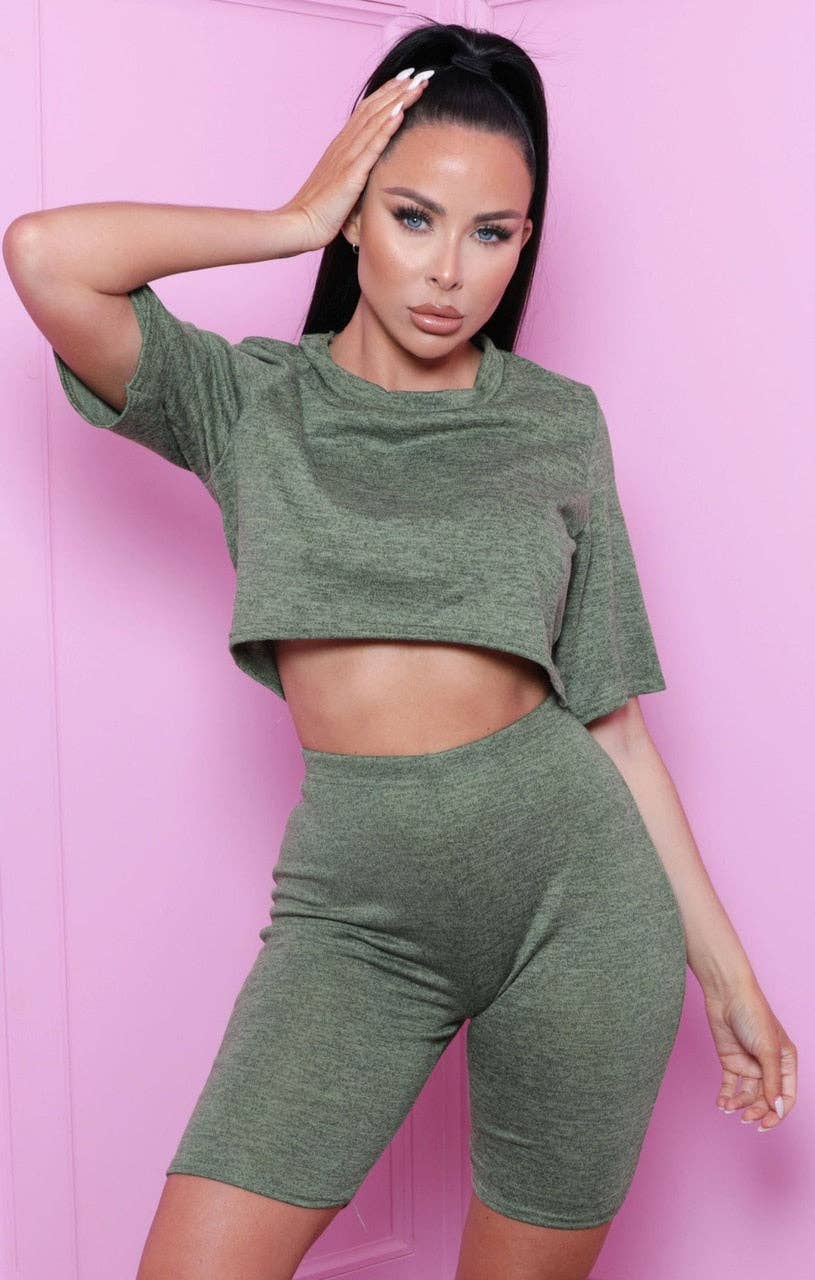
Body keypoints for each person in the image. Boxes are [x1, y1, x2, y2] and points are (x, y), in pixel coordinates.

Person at [3, 18, 797, 1280]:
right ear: (356, 211)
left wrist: (727, 972)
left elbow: (611, 721)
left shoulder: (555, 420)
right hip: (354, 920)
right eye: (411, 215)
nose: (447, 272)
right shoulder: (251, 400)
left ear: (524, 243)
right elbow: (47, 257)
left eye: (492, 233)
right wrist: (287, 220)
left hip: (583, 904)